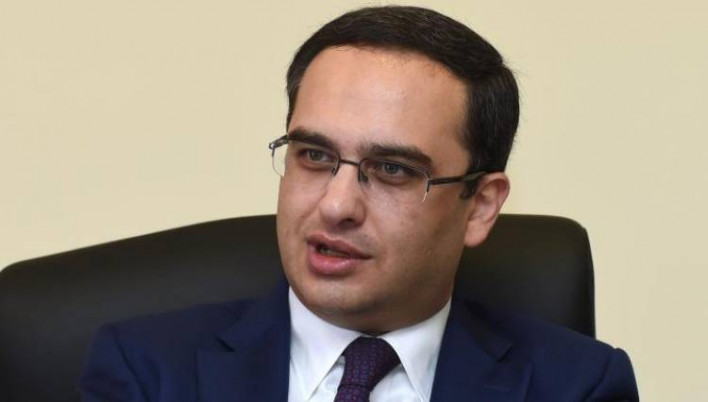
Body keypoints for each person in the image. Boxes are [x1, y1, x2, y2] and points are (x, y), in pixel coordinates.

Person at [79, 6, 639, 401]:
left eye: (392, 169)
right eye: (314, 155)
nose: (336, 205)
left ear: (480, 206)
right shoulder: (146, 372)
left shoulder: (578, 387)